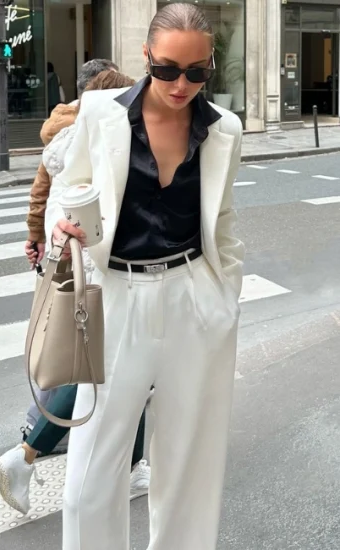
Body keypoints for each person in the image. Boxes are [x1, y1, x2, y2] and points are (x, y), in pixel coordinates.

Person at [46, 3, 244, 549]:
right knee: (89, 477)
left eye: (196, 72)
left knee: (190, 464)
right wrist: (65, 228)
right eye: (166, 70)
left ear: (210, 65)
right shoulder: (100, 113)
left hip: (192, 298)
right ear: (146, 58)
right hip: (115, 297)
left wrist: (225, 296)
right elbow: (71, 188)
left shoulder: (223, 129)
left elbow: (222, 224)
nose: (181, 85)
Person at [0, 67, 151, 516]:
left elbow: (39, 195)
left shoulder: (60, 138)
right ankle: (26, 455)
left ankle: (128, 465)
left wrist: (35, 238)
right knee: (96, 369)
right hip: (101, 271)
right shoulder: (101, 141)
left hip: (64, 264)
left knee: (111, 370)